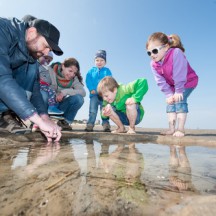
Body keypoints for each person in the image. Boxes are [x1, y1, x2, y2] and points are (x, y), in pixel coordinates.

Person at [0, 15, 63, 141]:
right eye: (46, 46)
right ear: (32, 32)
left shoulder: (32, 58)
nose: (46, 53)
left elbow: (35, 90)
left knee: (32, 70)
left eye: (49, 49)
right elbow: (1, 77)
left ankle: (4, 116)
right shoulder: (3, 29)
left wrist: (45, 118)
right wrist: (36, 119)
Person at [146, 32, 198, 137]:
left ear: (166, 47)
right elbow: (160, 81)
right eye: (149, 53)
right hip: (173, 86)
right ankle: (171, 129)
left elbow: (179, 73)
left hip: (188, 81)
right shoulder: (153, 64)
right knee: (170, 102)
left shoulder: (176, 53)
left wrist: (179, 91)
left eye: (155, 51)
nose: (152, 55)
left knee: (179, 99)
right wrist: (168, 94)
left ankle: (180, 129)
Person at [41, 58, 86, 130]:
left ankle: (65, 123)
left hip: (59, 107)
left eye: (74, 73)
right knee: (42, 94)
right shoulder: (50, 70)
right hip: (46, 104)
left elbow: (83, 92)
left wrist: (64, 92)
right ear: (63, 66)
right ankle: (38, 120)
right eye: (70, 71)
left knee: (79, 99)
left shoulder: (74, 79)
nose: (72, 75)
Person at [85, 50, 113, 132]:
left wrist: (106, 91)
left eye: (102, 60)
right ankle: (90, 125)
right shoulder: (91, 71)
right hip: (94, 95)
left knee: (104, 110)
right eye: (97, 60)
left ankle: (106, 125)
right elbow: (88, 80)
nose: (99, 62)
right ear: (94, 61)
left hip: (104, 96)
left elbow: (109, 81)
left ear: (105, 62)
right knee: (92, 110)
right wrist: (91, 89)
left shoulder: (107, 71)